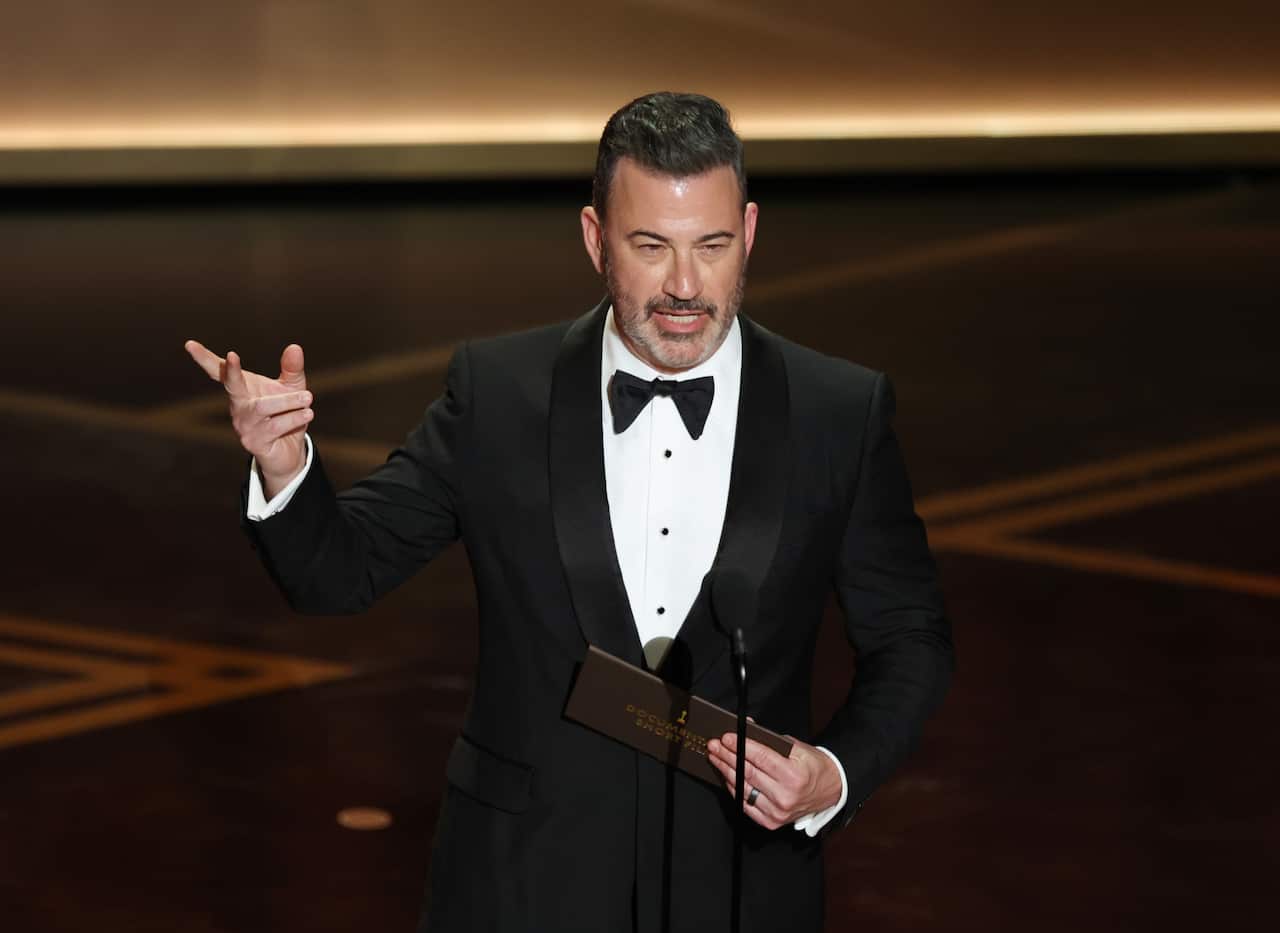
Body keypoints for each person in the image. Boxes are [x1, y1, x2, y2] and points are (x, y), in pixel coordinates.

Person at [185, 91, 953, 933]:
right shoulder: (499, 395)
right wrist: (283, 460)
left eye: (714, 245)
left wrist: (834, 772)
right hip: (523, 885)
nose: (686, 285)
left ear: (752, 233)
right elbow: (340, 570)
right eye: (651, 247)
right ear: (595, 239)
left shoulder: (838, 410)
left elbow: (909, 638)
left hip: (743, 890)